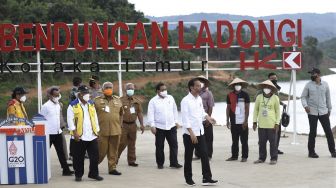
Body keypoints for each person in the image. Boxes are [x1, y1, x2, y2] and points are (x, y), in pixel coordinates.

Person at [181, 78, 218, 186]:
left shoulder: (199, 99)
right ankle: (188, 179)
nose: (199, 87)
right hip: (189, 134)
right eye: (197, 86)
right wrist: (191, 133)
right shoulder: (185, 100)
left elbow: (202, 112)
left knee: (204, 154)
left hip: (200, 132)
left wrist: (208, 118)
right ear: (191, 87)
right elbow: (185, 118)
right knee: (188, 157)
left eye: (200, 86)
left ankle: (206, 178)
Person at [67, 85, 103, 182]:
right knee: (78, 157)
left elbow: (95, 117)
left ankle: (93, 174)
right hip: (79, 136)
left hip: (91, 135)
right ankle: (78, 175)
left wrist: (97, 131)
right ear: (79, 94)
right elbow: (70, 120)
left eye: (88, 93)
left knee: (95, 156)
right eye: (85, 93)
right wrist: (74, 133)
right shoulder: (72, 105)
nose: (88, 95)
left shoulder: (91, 104)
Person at [301, 68, 336, 158]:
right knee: (313, 132)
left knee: (328, 132)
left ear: (318, 74)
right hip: (312, 112)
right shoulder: (308, 85)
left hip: (324, 111)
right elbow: (303, 97)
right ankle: (311, 152)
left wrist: (329, 109)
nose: (312, 75)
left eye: (313, 74)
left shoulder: (325, 85)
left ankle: (333, 151)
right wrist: (305, 106)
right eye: (311, 74)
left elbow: (328, 98)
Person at [147, 82, 182, 169]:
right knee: (159, 146)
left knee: (174, 145)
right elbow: (150, 114)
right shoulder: (153, 101)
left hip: (171, 126)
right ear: (158, 91)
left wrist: (176, 121)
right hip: (159, 127)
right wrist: (152, 125)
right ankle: (160, 163)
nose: (164, 91)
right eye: (162, 90)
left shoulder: (170, 98)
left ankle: (174, 162)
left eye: (165, 89)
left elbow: (174, 110)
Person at [40, 86, 74, 176]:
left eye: (58, 94)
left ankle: (65, 170)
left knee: (61, 152)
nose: (57, 96)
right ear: (50, 95)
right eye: (55, 95)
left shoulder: (58, 105)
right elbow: (40, 119)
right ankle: (41, 169)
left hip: (58, 132)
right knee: (44, 152)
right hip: (49, 133)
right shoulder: (45, 106)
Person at [94, 82, 124, 175]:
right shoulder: (96, 101)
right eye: (106, 87)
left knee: (113, 151)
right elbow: (92, 115)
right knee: (101, 152)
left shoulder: (118, 100)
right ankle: (94, 167)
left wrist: (120, 125)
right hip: (102, 131)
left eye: (110, 87)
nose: (108, 89)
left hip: (116, 130)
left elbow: (121, 114)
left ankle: (112, 168)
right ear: (103, 89)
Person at [253, 80, 280, 165]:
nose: (266, 88)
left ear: (271, 88)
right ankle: (261, 158)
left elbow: (278, 112)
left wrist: (277, 123)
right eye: (265, 87)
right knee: (261, 142)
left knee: (273, 143)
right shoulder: (259, 97)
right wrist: (254, 122)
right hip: (261, 124)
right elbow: (255, 110)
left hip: (272, 124)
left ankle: (273, 158)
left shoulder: (275, 98)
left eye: (268, 87)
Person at [118, 83, 145, 167]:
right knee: (122, 143)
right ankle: (115, 158)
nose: (131, 90)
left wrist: (142, 124)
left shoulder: (136, 101)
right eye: (129, 88)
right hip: (124, 125)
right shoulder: (120, 100)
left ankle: (131, 160)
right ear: (125, 90)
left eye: (132, 88)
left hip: (133, 125)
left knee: (132, 143)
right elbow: (117, 113)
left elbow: (139, 113)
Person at [226, 78, 250, 162]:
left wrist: (245, 121)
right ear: (233, 86)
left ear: (242, 85)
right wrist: (227, 120)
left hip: (243, 121)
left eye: (239, 84)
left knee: (244, 140)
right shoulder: (229, 95)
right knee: (234, 140)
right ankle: (234, 156)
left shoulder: (245, 95)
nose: (237, 86)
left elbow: (247, 108)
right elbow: (228, 108)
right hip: (233, 121)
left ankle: (244, 157)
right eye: (236, 84)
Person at [194, 75, 215, 159]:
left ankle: (208, 155)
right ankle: (198, 154)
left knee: (208, 138)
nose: (201, 83)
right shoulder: (194, 94)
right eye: (199, 81)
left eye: (202, 81)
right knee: (197, 137)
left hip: (206, 119)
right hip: (196, 120)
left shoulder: (208, 93)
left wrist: (209, 119)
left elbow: (210, 106)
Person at [268, 72, 286, 155]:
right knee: (269, 132)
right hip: (269, 114)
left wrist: (282, 104)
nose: (274, 79)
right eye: (272, 78)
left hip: (277, 113)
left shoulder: (276, 88)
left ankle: (276, 148)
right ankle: (268, 147)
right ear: (269, 79)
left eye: (275, 78)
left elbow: (277, 99)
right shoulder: (267, 88)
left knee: (277, 132)